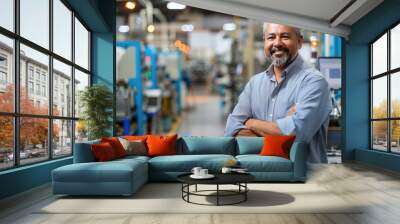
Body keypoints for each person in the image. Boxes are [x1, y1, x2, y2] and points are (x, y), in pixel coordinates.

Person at [224, 23, 332, 163]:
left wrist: (250, 122)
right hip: (257, 173)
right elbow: (231, 130)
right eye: (271, 37)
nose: (277, 43)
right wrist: (281, 129)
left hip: (304, 178)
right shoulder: (254, 83)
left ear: (299, 41)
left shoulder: (314, 82)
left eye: (285, 37)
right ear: (265, 41)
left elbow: (298, 134)